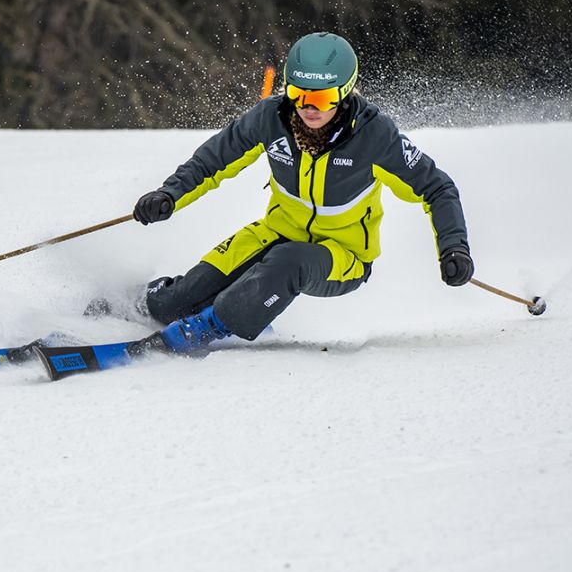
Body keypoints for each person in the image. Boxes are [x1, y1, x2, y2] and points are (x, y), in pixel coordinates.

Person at [131, 32, 474, 354]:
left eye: (322, 98)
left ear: (346, 92)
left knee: (288, 263)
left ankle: (206, 328)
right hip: (276, 232)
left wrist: (454, 248)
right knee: (175, 301)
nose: (309, 108)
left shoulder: (374, 137)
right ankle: (150, 302)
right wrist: (169, 195)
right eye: (298, 94)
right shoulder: (272, 118)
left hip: (342, 255)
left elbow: (437, 188)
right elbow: (213, 161)